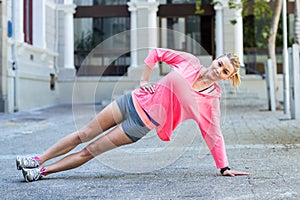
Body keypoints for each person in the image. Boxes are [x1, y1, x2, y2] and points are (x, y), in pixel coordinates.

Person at [16, 48, 250, 182]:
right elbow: (157, 53)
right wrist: (143, 81)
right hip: (131, 101)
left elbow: (213, 133)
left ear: (227, 77)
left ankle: (42, 172)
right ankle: (37, 159)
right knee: (83, 134)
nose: (218, 69)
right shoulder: (189, 62)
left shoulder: (211, 99)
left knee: (90, 151)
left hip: (140, 125)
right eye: (220, 63)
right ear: (216, 59)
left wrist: (224, 166)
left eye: (224, 71)